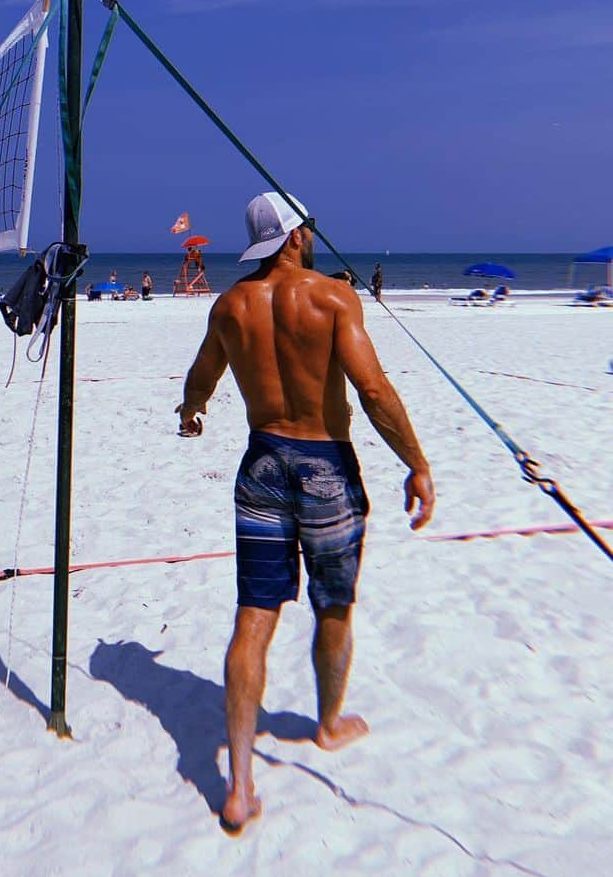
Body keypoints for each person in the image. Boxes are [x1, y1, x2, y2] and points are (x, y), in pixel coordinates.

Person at [176, 192, 434, 835]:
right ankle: (327, 723)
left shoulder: (231, 305)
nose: (313, 237)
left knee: (254, 619)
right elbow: (372, 390)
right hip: (325, 468)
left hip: (262, 463)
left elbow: (201, 376)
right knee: (334, 605)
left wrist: (192, 412)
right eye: (309, 228)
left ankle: (239, 788)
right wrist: (417, 463)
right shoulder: (333, 298)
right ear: (294, 236)